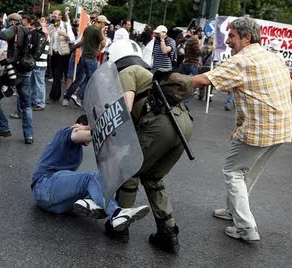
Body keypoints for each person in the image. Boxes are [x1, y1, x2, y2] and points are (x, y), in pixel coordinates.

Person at [192, 16, 292, 241]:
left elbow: (205, 80)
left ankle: (246, 228)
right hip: (283, 127)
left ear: (247, 38)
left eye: (232, 36)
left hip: (261, 128)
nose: (227, 41)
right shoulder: (271, 56)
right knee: (249, 171)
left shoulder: (242, 60)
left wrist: (171, 81)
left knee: (233, 172)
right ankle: (234, 211)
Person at [107, 39, 194, 253]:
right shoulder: (146, 73)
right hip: (183, 124)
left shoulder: (128, 72)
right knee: (153, 177)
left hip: (160, 125)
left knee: (129, 169)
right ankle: (168, 233)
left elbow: (125, 109)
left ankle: (120, 226)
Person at [31, 114, 150, 231]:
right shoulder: (67, 133)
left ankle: (91, 202)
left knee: (93, 185)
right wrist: (104, 127)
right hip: (43, 185)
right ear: (81, 125)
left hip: (54, 204)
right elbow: (78, 134)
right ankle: (116, 212)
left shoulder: (77, 149)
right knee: (92, 177)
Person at [0, 13, 34, 144]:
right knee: (26, 105)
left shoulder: (14, 29)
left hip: (13, 72)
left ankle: (2, 128)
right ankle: (29, 136)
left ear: (12, 22)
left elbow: (3, 35)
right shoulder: (27, 30)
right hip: (26, 71)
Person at [61, 15, 109, 107]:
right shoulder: (97, 31)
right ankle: (78, 94)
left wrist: (74, 47)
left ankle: (66, 98)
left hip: (83, 57)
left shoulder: (88, 29)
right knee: (91, 79)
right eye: (104, 23)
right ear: (101, 23)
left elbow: (82, 41)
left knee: (79, 79)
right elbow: (104, 43)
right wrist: (100, 49)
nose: (105, 25)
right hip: (91, 58)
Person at [46, 9, 75, 104]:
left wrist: (65, 34)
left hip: (62, 53)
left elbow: (72, 39)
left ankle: (53, 96)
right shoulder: (51, 26)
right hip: (53, 53)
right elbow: (48, 39)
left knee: (58, 74)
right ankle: (56, 95)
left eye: (55, 15)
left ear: (60, 17)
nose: (54, 17)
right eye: (53, 15)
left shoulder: (66, 25)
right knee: (55, 75)